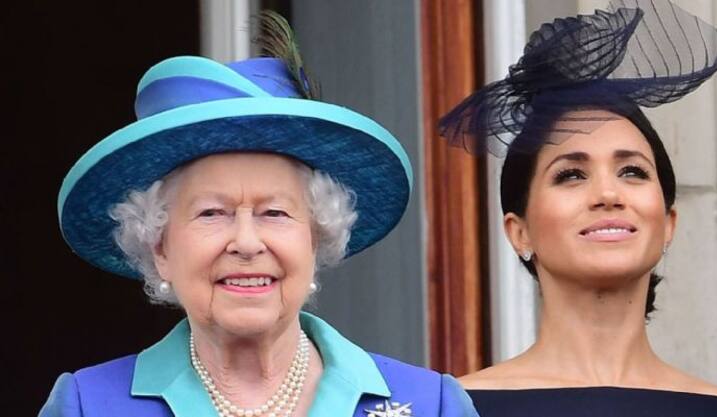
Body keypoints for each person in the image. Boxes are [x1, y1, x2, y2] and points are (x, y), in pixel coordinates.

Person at [40, 11, 477, 417]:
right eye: (212, 213)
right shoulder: (87, 405)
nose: (247, 243)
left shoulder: (431, 403)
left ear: (316, 238)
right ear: (160, 249)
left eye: (275, 212)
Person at [438, 0, 717, 416]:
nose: (608, 193)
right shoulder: (447, 407)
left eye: (632, 172)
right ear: (519, 232)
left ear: (668, 222)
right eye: (571, 174)